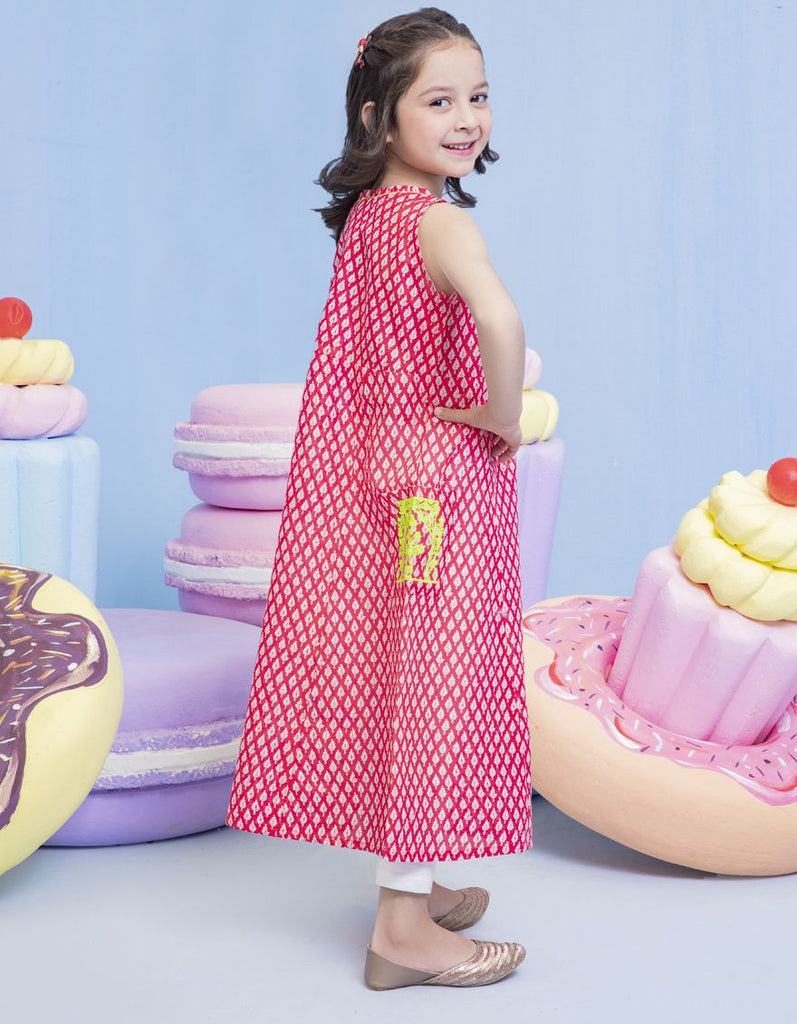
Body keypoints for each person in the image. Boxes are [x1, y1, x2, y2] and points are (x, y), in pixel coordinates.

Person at [226, 6, 533, 990]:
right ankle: (402, 927)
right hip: (436, 495)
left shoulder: (370, 218)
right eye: (437, 101)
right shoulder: (441, 222)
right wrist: (499, 413)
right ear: (377, 116)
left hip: (378, 486)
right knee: (434, 689)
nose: (465, 118)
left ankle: (419, 884)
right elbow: (499, 316)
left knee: (400, 675)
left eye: (476, 96)